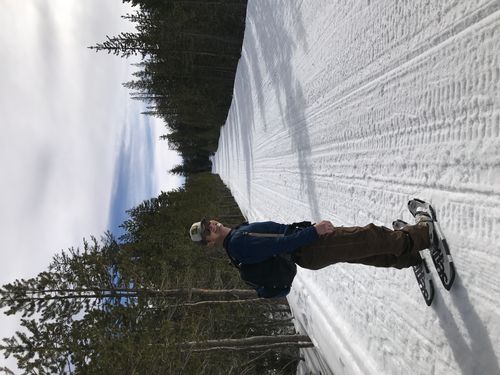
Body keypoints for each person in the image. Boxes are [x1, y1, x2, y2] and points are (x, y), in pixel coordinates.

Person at [189, 216, 432, 270]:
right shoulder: (238, 244)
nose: (210, 227)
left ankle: (407, 257)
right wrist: (313, 232)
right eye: (206, 233)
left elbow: (277, 235)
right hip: (308, 247)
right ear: (210, 244)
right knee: (365, 237)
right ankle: (419, 236)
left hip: (308, 252)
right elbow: (279, 245)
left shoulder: (237, 236)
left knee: (359, 251)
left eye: (206, 224)